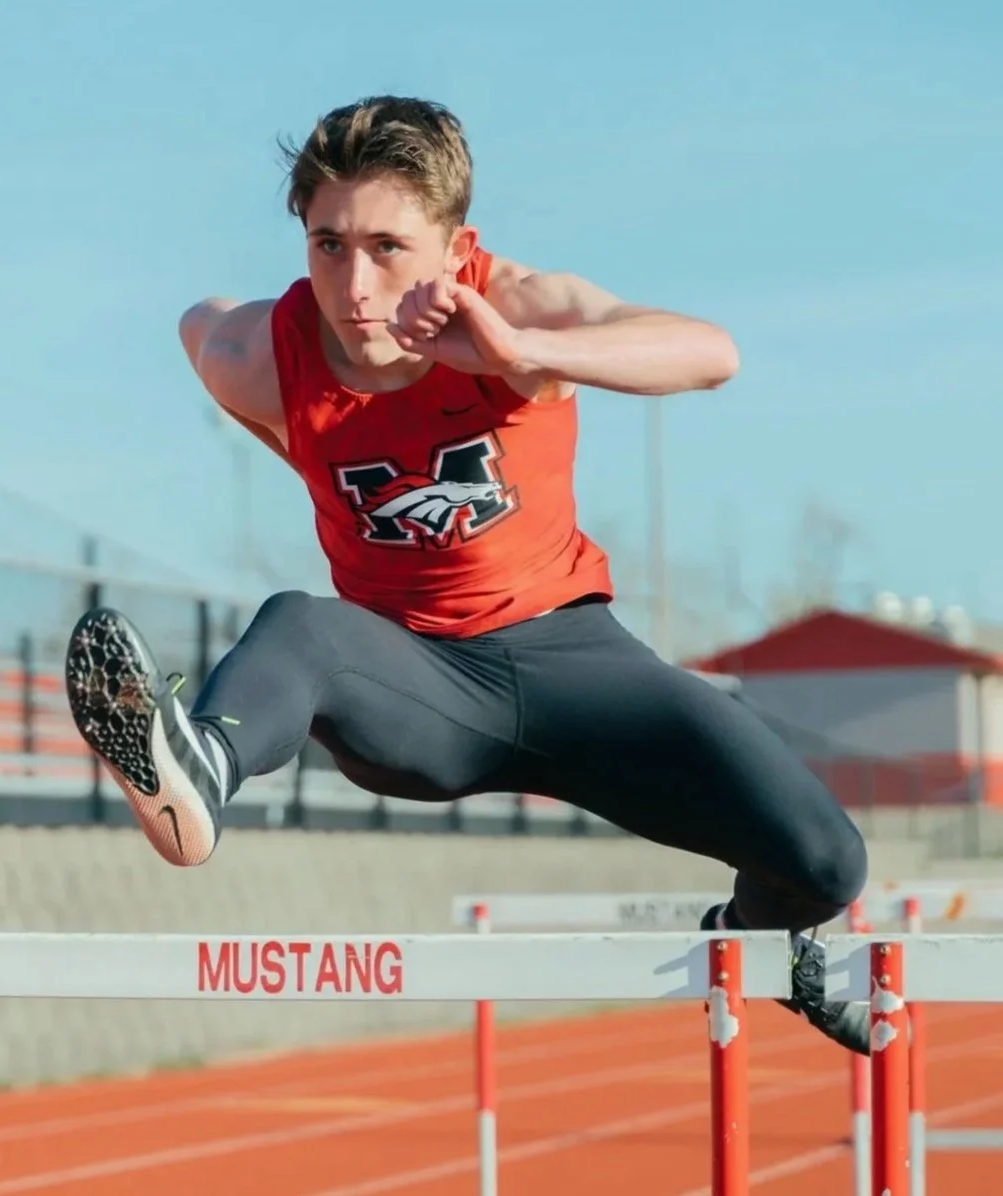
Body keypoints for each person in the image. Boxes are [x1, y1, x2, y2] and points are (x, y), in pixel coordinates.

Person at [65, 95, 870, 1054]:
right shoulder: (255, 355)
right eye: (327, 244)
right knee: (301, 623)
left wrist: (522, 356)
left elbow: (711, 354)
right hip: (413, 681)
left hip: (577, 664)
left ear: (457, 247)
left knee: (827, 864)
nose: (353, 283)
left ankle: (749, 933)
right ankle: (199, 770)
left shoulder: (521, 306)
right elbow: (200, 324)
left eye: (387, 247)